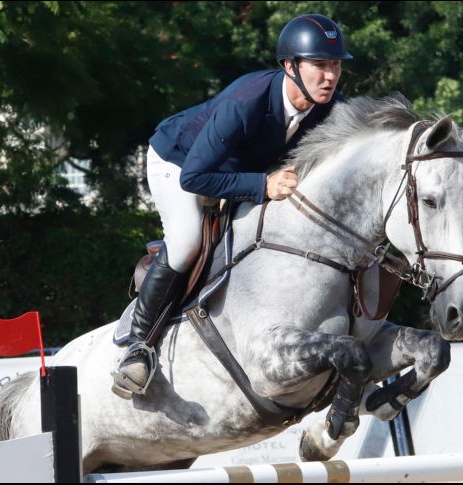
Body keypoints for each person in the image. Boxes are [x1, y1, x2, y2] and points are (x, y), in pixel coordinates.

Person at [111, 13, 353, 397]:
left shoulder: (329, 107)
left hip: (237, 170)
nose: (330, 76)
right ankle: (138, 346)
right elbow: (195, 177)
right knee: (188, 240)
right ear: (290, 66)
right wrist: (262, 184)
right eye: (320, 65)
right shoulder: (246, 102)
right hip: (180, 162)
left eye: (336, 65)